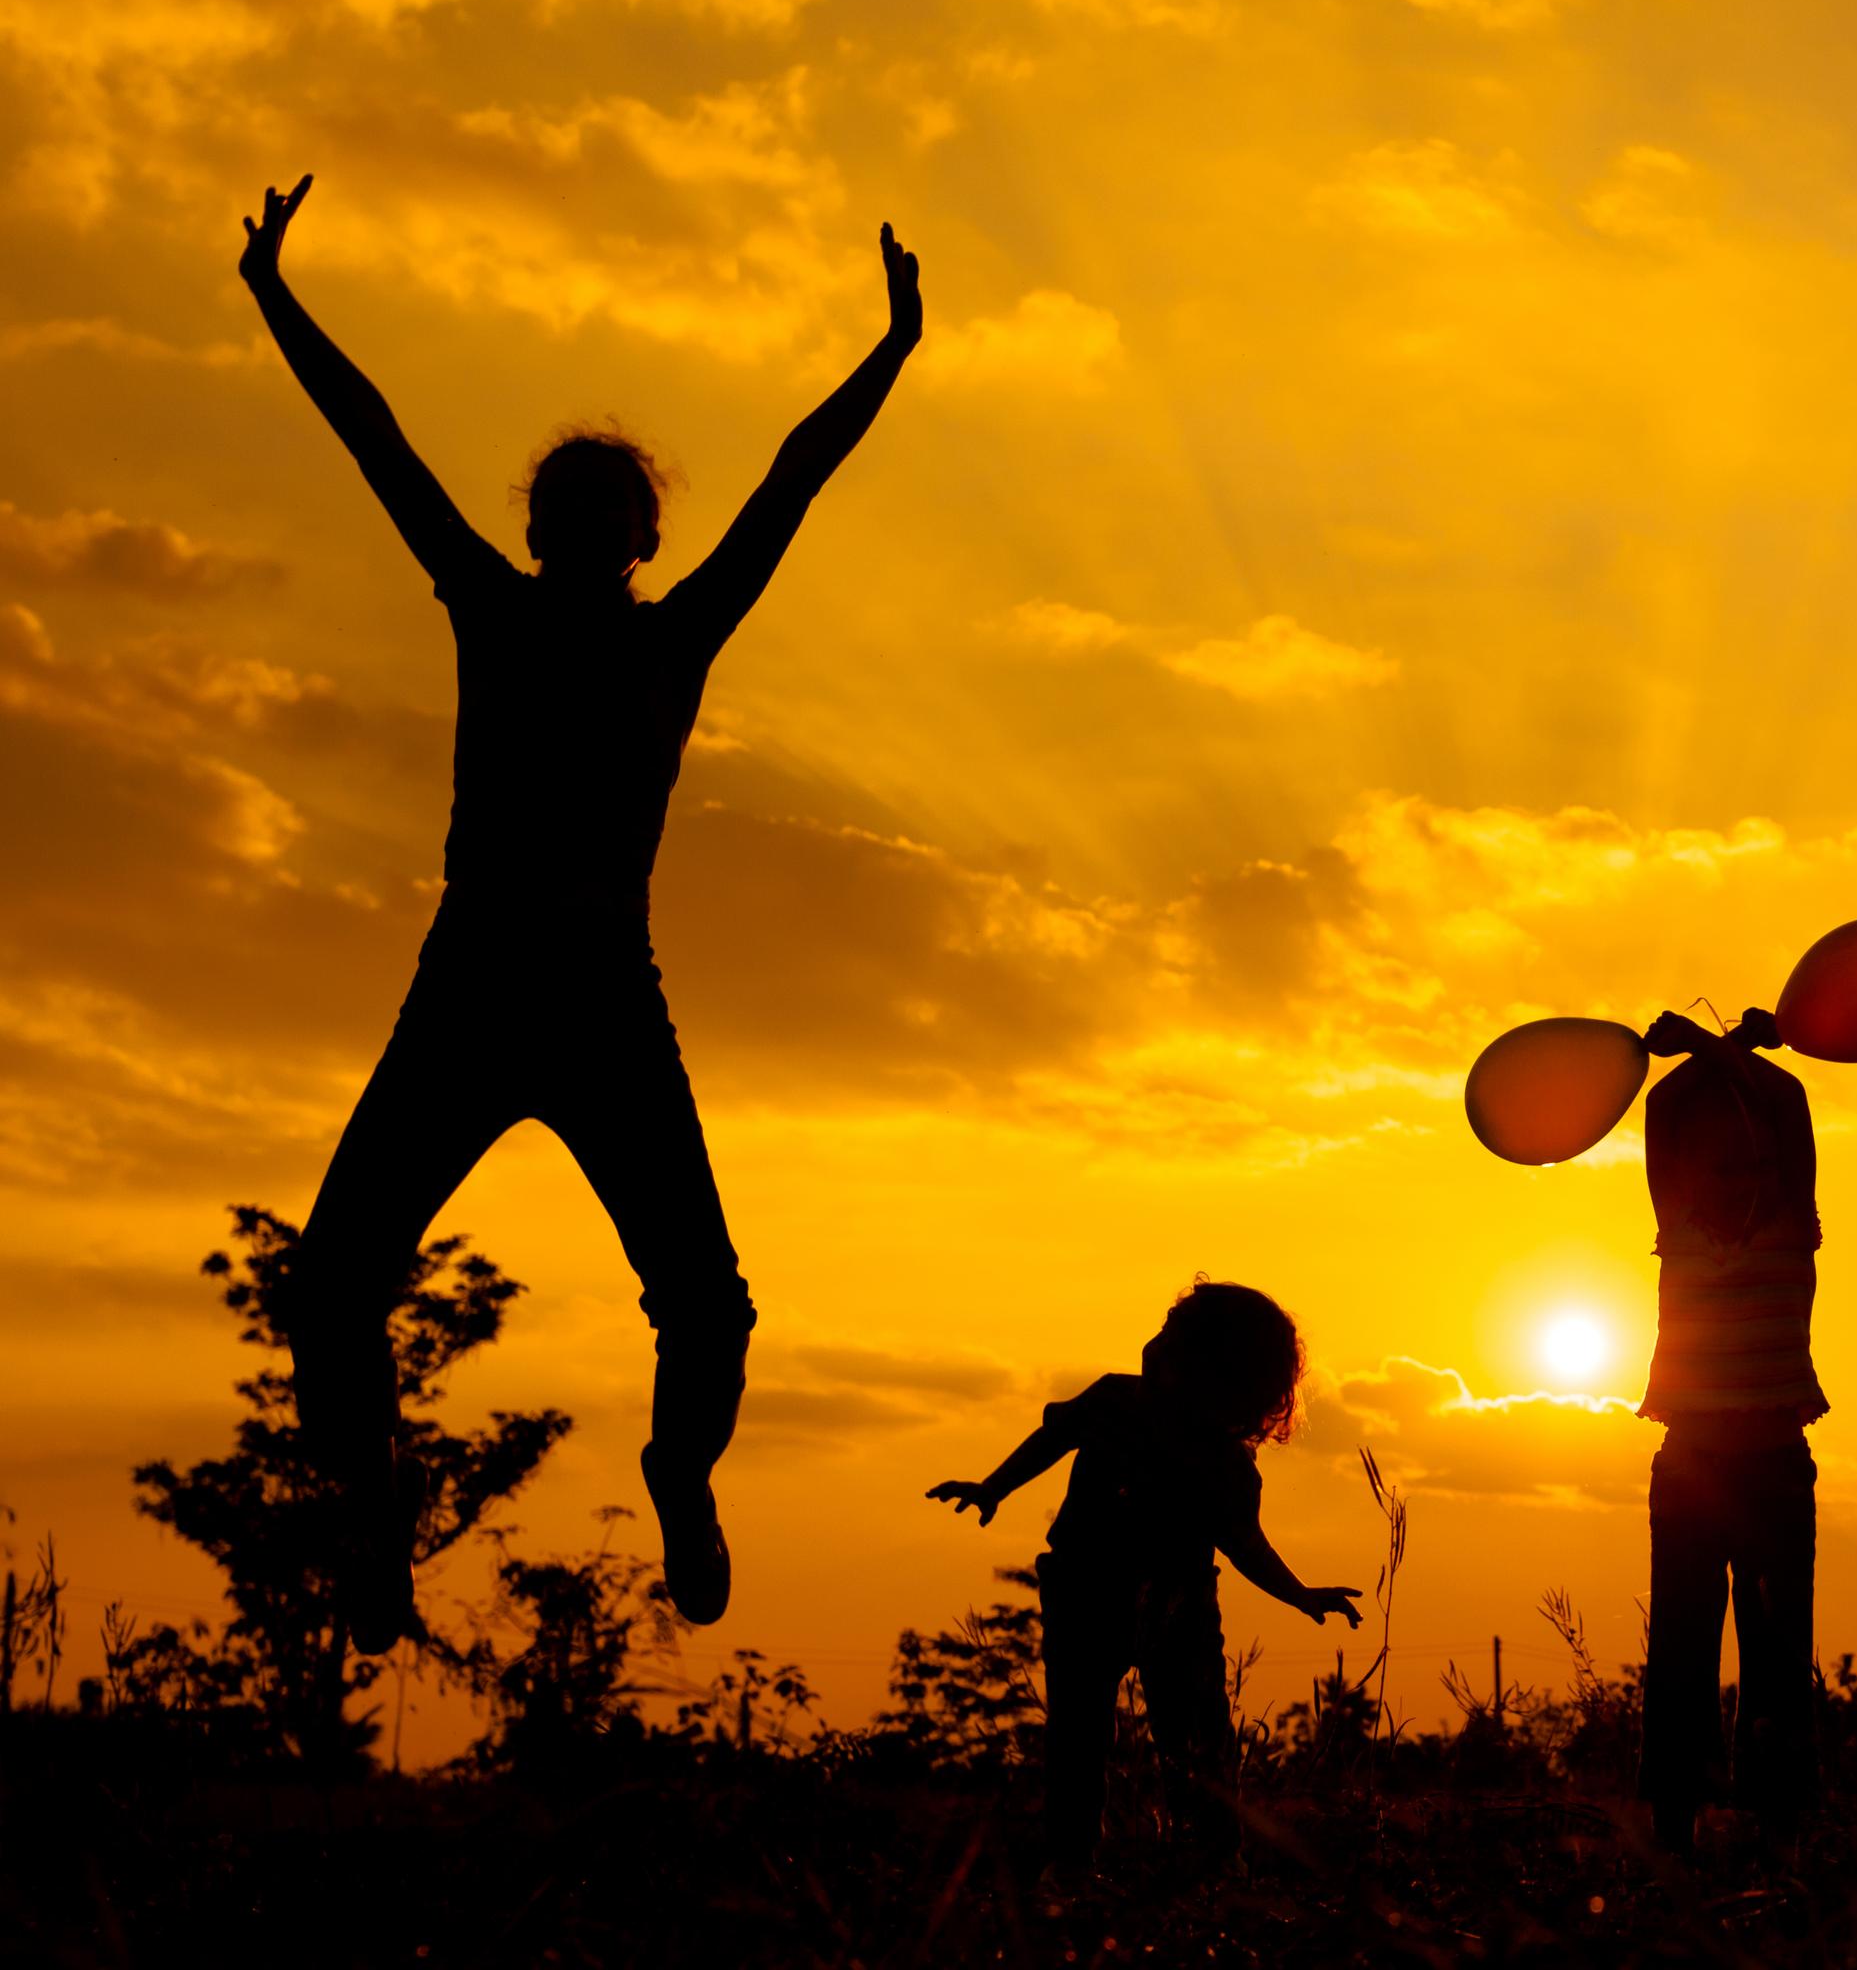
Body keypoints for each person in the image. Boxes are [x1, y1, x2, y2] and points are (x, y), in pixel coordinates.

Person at [235, 173, 925, 1651]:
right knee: (336, 1284)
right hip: (475, 975)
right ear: (537, 527)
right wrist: (275, 294)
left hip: (606, 984)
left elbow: (795, 479)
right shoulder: (486, 603)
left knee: (710, 1306)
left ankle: (679, 1471)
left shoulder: (680, 639)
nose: (587, 517)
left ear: (646, 535)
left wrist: (893, 347)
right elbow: (377, 440)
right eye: (565, 500)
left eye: (614, 503)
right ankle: (373, 1530)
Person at [926, 1280, 1363, 1875]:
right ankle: (1073, 1861)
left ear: (1211, 1368)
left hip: (1176, 1604)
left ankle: (1211, 1861)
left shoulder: (1223, 1463)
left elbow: (1245, 1544)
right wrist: (992, 1487)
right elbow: (1052, 1440)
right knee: (1079, 1738)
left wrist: (1299, 1594)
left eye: (1172, 1335)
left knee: (1194, 1741)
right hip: (1083, 1587)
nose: (1153, 1343)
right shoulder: (1112, 1401)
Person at [1635, 1006, 1825, 1853]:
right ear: (1688, 1171)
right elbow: (1664, 1111)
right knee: (1680, 1646)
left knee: (1780, 1649)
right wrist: (1717, 1054)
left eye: (1749, 1157)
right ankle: (1676, 1822)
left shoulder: (1796, 1228)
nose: (1734, 1169)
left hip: (1775, 1468)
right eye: (1715, 1159)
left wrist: (1727, 1047)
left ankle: (1778, 1822)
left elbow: (1787, 1102)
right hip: (1692, 1468)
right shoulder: (1677, 1232)